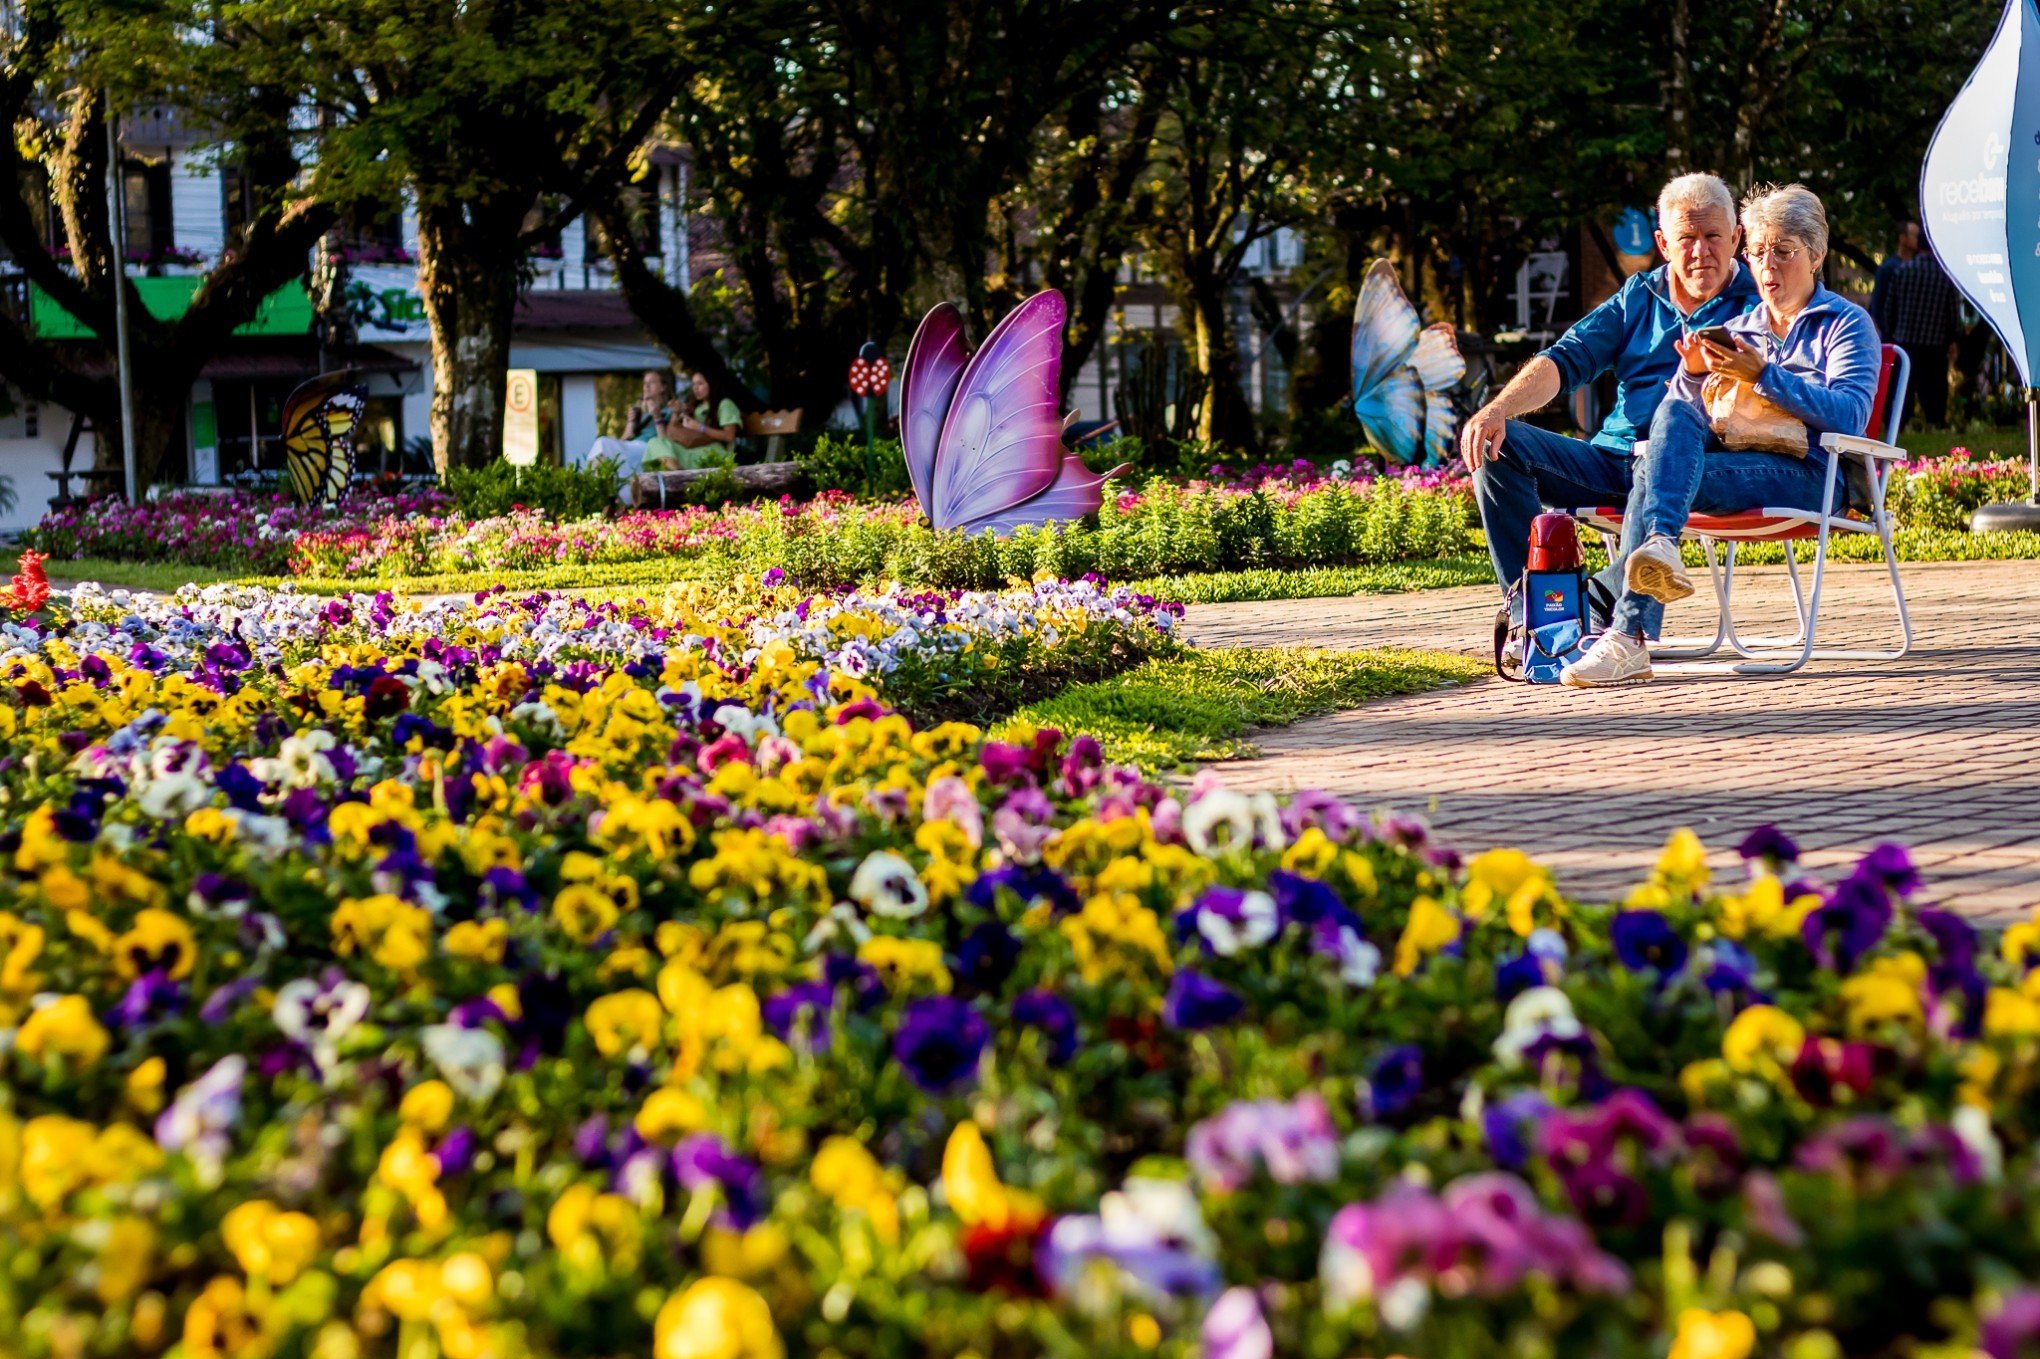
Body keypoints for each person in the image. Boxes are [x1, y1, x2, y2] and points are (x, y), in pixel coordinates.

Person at [1559, 183, 1880, 688]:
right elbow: (1693, 420)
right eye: (1757, 253)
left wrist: (1764, 376)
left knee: (1652, 472)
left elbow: (1852, 415)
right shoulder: (1743, 326)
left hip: (1814, 474)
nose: (1767, 267)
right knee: (1674, 415)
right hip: (1739, 463)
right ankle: (1659, 552)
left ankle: (1626, 635)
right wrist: (1689, 377)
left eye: (1783, 252)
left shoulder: (1844, 322)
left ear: (1815, 255)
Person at [1461, 172, 1760, 621]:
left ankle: (1571, 608)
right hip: (1612, 460)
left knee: (1659, 460)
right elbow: (1567, 358)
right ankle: (1530, 615)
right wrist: (1497, 408)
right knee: (1497, 446)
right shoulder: (1639, 295)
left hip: (1691, 466)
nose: (1701, 252)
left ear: (1737, 237)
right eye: (1687, 238)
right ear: (1662, 243)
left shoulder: (1759, 301)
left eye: (1714, 236)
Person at [1884, 242, 1964, 429]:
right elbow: (1953, 314)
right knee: (1935, 388)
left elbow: (1889, 309)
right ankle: (1936, 422)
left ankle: (1900, 424)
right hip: (1935, 343)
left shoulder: (1902, 271)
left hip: (1905, 341)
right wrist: (1953, 338)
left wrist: (1892, 331)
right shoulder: (1945, 276)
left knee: (1904, 387)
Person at [578, 369, 678, 484]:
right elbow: (623, 440)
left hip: (650, 448)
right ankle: (596, 484)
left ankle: (591, 485)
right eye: (645, 383)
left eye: (652, 382)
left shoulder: (669, 411)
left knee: (602, 442)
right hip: (632, 446)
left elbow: (665, 442)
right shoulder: (642, 413)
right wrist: (631, 422)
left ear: (663, 387)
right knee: (603, 452)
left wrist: (657, 416)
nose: (647, 386)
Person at [642, 370, 743, 471]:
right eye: (693, 384)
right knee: (655, 442)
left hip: (714, 452)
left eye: (700, 383)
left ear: (712, 383)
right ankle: (676, 472)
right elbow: (670, 434)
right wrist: (676, 412)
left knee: (661, 452)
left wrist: (700, 427)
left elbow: (729, 436)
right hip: (694, 450)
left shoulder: (725, 404)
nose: (695, 388)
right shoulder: (697, 407)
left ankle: (676, 476)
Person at [1868, 220, 1919, 339]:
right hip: (1894, 336)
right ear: (1902, 238)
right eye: (1914, 235)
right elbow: (1877, 304)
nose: (1918, 239)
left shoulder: (1917, 268)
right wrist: (1888, 331)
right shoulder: (1888, 268)